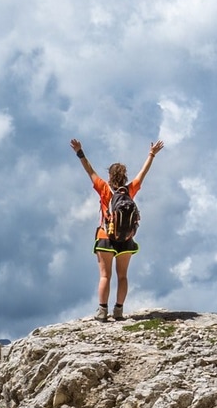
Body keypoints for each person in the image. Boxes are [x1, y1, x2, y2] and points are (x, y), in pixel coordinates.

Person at [70, 138, 164, 321]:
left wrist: (79, 152)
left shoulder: (104, 189)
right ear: (124, 177)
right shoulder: (130, 190)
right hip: (126, 239)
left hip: (105, 237)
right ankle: (119, 310)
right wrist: (151, 155)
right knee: (123, 276)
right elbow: (143, 173)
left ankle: (102, 311)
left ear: (110, 177)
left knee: (105, 276)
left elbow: (89, 170)